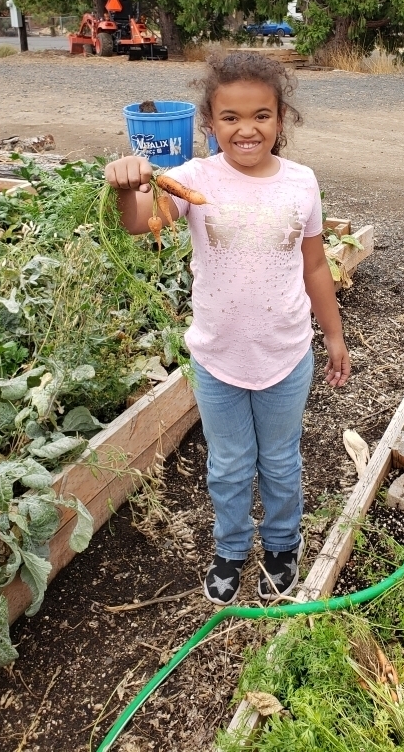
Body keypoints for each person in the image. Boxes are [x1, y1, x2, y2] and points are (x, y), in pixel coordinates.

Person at [105, 52, 350, 605]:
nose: (246, 128)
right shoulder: (192, 179)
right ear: (209, 123)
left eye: (261, 115)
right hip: (216, 358)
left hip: (286, 353)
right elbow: (141, 224)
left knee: (282, 459)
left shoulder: (302, 183)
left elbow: (314, 266)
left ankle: (284, 544)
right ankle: (231, 548)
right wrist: (127, 187)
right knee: (231, 463)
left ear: (281, 119)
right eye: (231, 117)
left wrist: (333, 334)